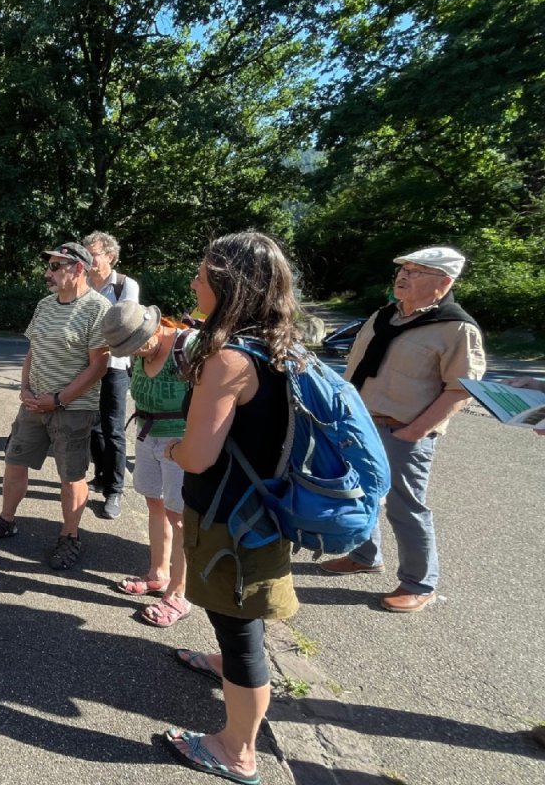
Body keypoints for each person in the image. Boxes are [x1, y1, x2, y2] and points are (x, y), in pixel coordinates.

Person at [158, 231, 301, 784]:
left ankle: (236, 750)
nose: (194, 282)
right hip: (264, 508)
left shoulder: (229, 360)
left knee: (240, 631)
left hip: (229, 517)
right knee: (238, 620)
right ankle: (225, 670)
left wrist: (169, 446)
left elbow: (197, 455)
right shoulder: (282, 346)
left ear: (229, 284)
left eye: (202, 274)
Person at [320, 247, 485, 613]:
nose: (404, 276)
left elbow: (461, 390)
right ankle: (365, 555)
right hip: (358, 424)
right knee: (358, 494)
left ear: (444, 283)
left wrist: (414, 432)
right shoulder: (385, 316)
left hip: (403, 431)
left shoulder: (456, 328)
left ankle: (419, 583)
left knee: (405, 506)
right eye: (404, 269)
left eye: (417, 271)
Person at [0, 242, 110, 570]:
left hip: (72, 409)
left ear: (77, 269)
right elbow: (33, 351)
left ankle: (70, 536)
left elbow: (98, 366)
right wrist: (24, 388)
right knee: (14, 462)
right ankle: (6, 520)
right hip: (34, 404)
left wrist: (60, 399)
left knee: (71, 475)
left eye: (54, 266)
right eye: (49, 265)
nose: (47, 272)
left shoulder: (98, 308)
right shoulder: (45, 305)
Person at [102, 302, 192, 627]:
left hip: (180, 442)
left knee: (180, 517)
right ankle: (158, 575)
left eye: (133, 346)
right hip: (146, 435)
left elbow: (215, 397)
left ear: (152, 329)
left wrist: (192, 443)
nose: (131, 354)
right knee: (155, 503)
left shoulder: (187, 346)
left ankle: (178, 596)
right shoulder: (139, 350)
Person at [84, 231, 140, 518]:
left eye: (92, 252)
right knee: (93, 426)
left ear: (109, 256)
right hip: (89, 364)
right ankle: (100, 476)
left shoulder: (125, 285)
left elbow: (125, 324)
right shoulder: (83, 282)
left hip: (116, 366)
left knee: (113, 428)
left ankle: (115, 491)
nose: (88, 257)